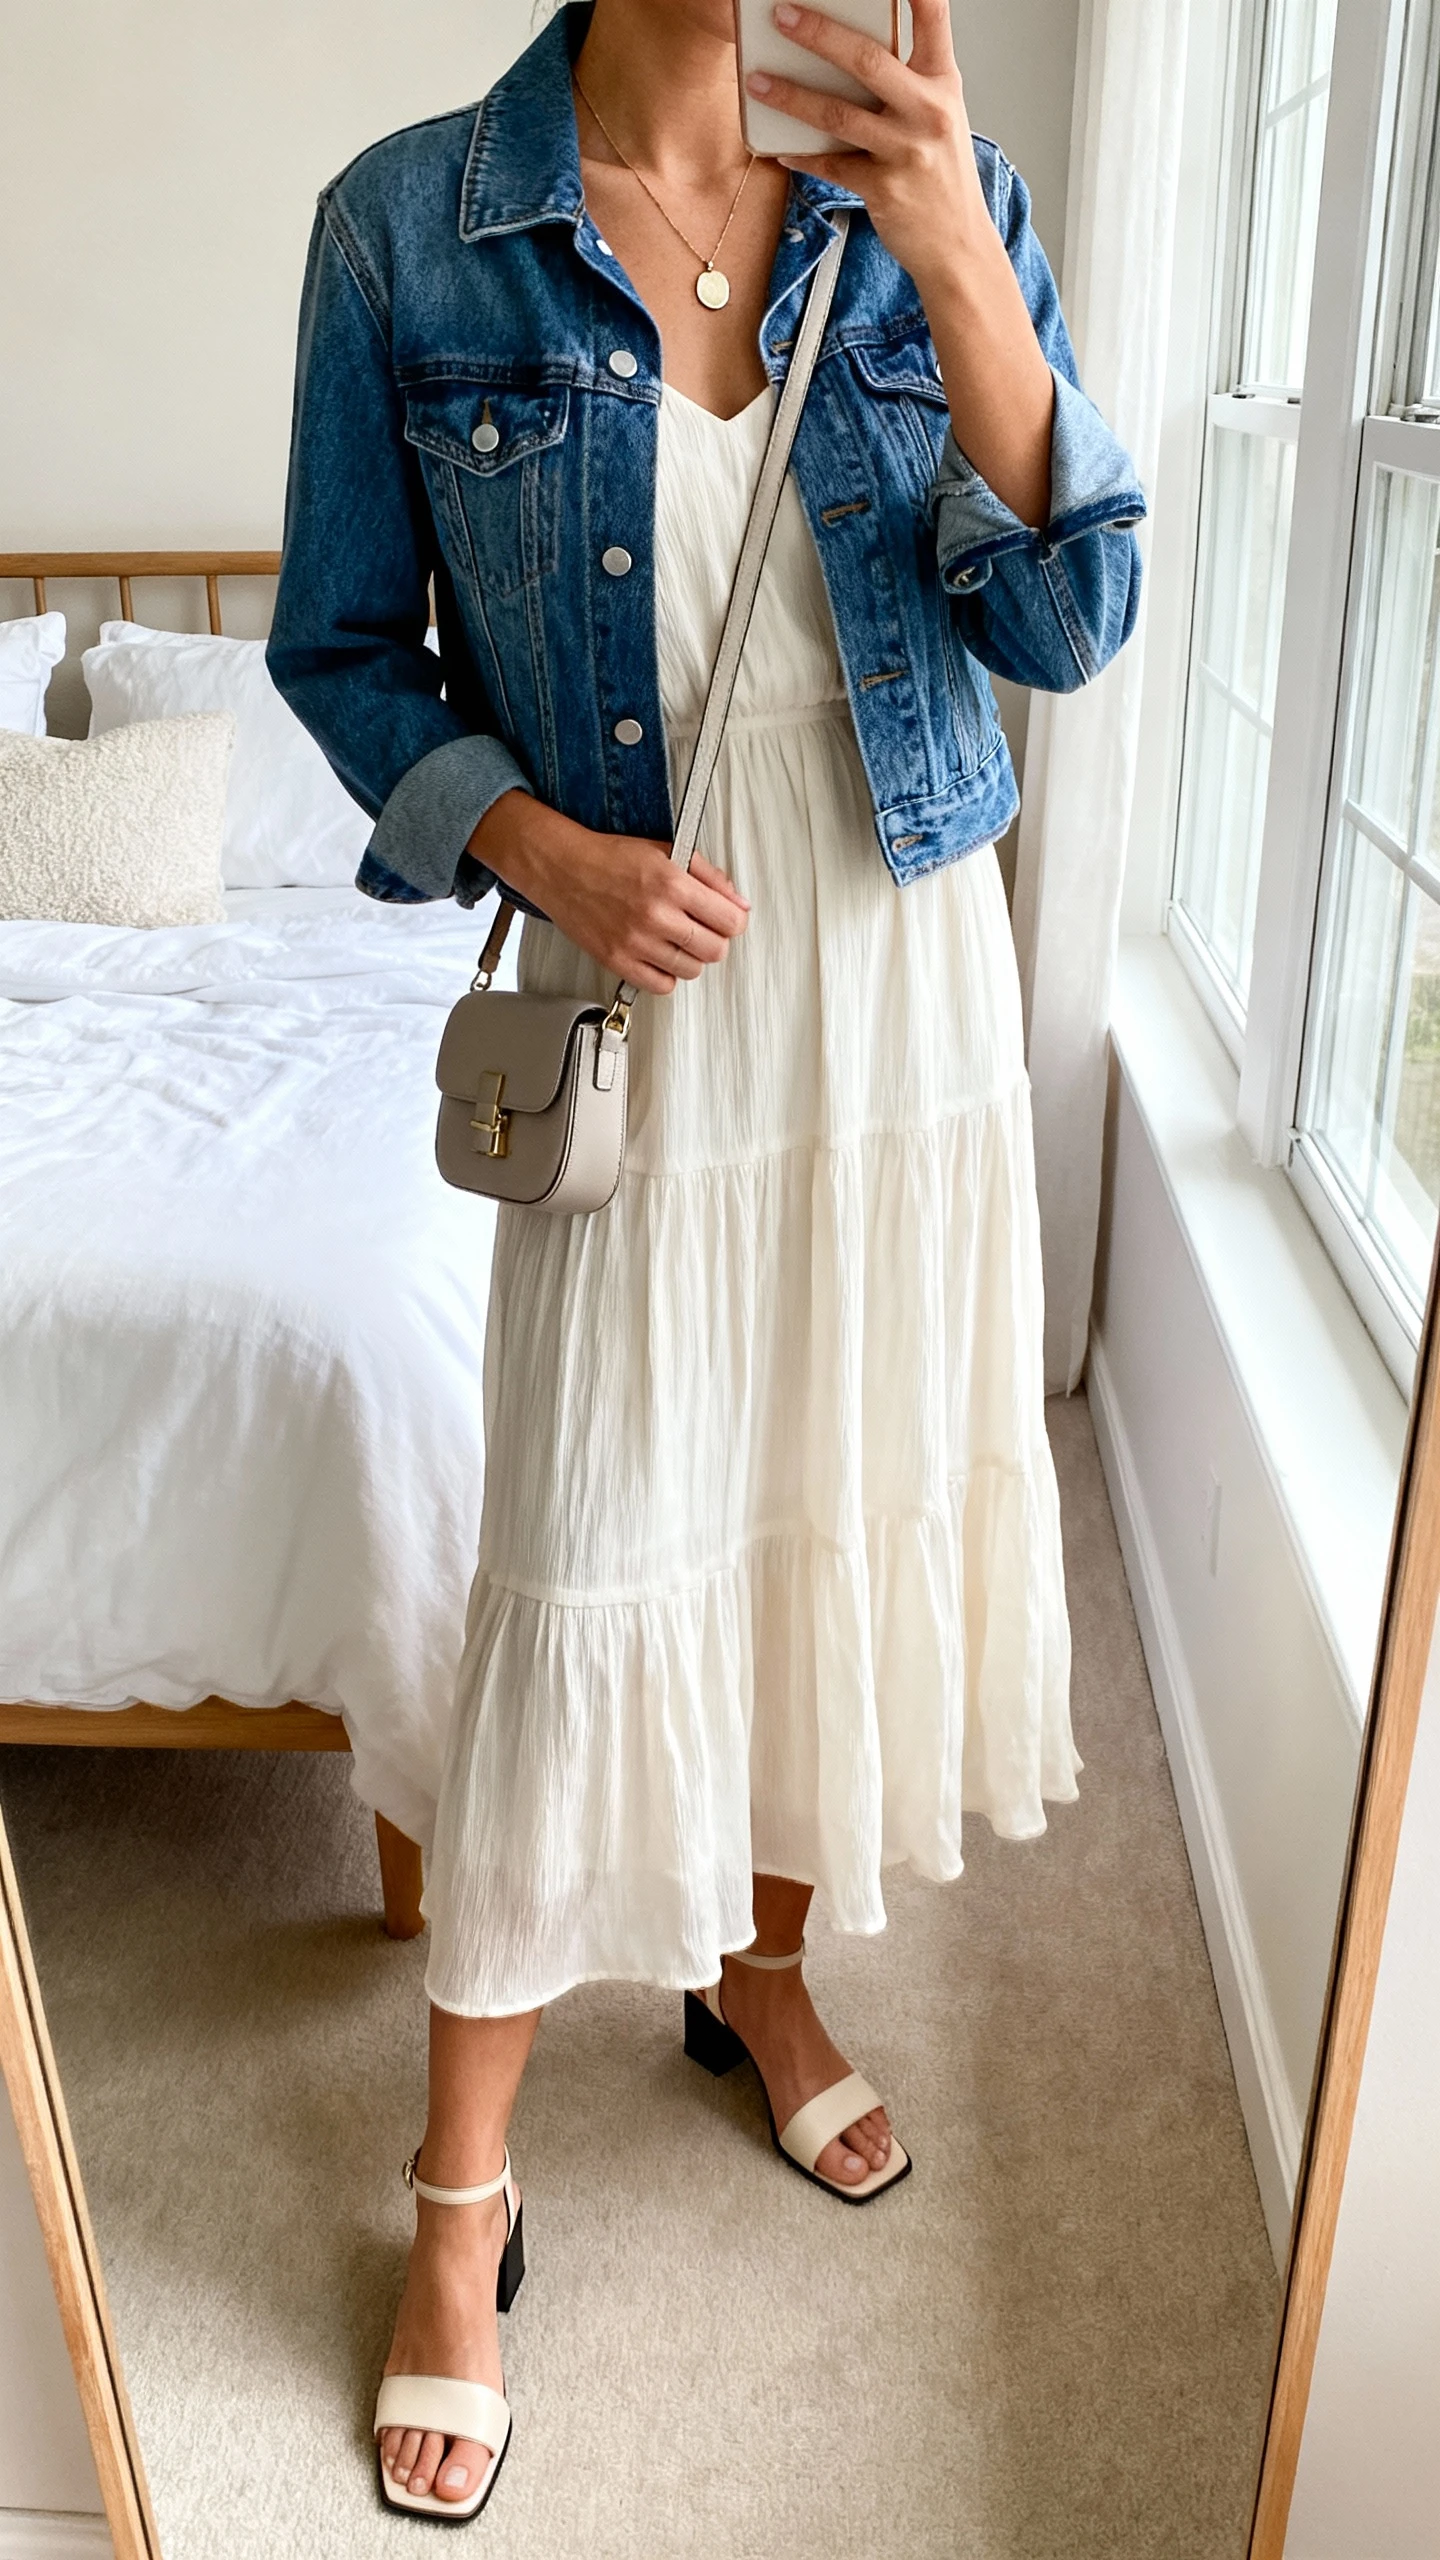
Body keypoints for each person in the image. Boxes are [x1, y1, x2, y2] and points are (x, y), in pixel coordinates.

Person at [269, 0, 1144, 2520]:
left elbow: (1063, 625)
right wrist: (546, 855)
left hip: (899, 973)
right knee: (589, 1547)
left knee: (819, 1491)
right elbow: (344, 654)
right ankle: (455, 2196)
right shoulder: (408, 227)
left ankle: (751, 1969)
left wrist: (972, 263)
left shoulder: (928, 198)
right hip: (638, 992)